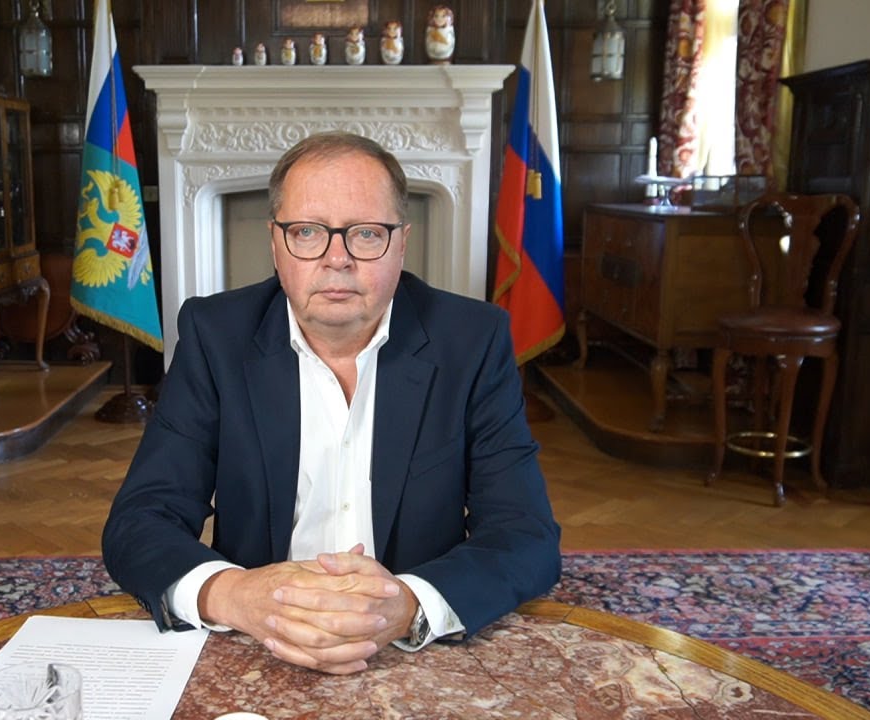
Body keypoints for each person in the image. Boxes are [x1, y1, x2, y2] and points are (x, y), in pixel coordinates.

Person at [102, 131, 561, 675]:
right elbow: (141, 520)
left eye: (366, 233)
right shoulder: (216, 336)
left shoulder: (472, 341)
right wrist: (235, 595)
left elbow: (525, 534)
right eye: (307, 232)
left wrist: (408, 605)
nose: (336, 259)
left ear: (401, 243)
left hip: (412, 653)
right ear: (276, 244)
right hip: (258, 642)